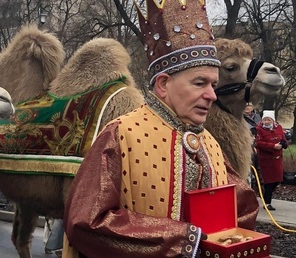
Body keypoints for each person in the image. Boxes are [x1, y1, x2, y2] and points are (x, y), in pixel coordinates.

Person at [63, 1, 259, 257]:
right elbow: (86, 220)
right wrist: (184, 240)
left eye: (213, 84)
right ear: (164, 84)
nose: (211, 94)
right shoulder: (121, 135)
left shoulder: (209, 143)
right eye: (200, 83)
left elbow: (242, 206)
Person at [255, 110, 287, 211]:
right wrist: (273, 146)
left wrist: (284, 144)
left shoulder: (279, 128)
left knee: (277, 180)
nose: (267, 122)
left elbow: (284, 139)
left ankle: (266, 198)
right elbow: (258, 143)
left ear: (273, 121)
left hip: (277, 159)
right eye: (265, 120)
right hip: (266, 160)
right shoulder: (259, 129)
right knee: (269, 182)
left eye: (269, 120)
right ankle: (267, 203)